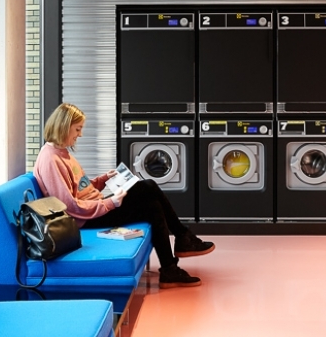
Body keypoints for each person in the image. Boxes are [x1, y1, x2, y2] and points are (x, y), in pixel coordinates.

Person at [33, 103, 214, 289]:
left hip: (94, 206)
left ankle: (173, 259)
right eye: (77, 129)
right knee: (150, 195)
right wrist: (110, 203)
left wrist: (102, 180)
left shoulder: (61, 152)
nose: (80, 134)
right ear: (64, 126)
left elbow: (80, 188)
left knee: (149, 194)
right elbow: (69, 206)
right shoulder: (50, 159)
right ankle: (179, 247)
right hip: (85, 218)